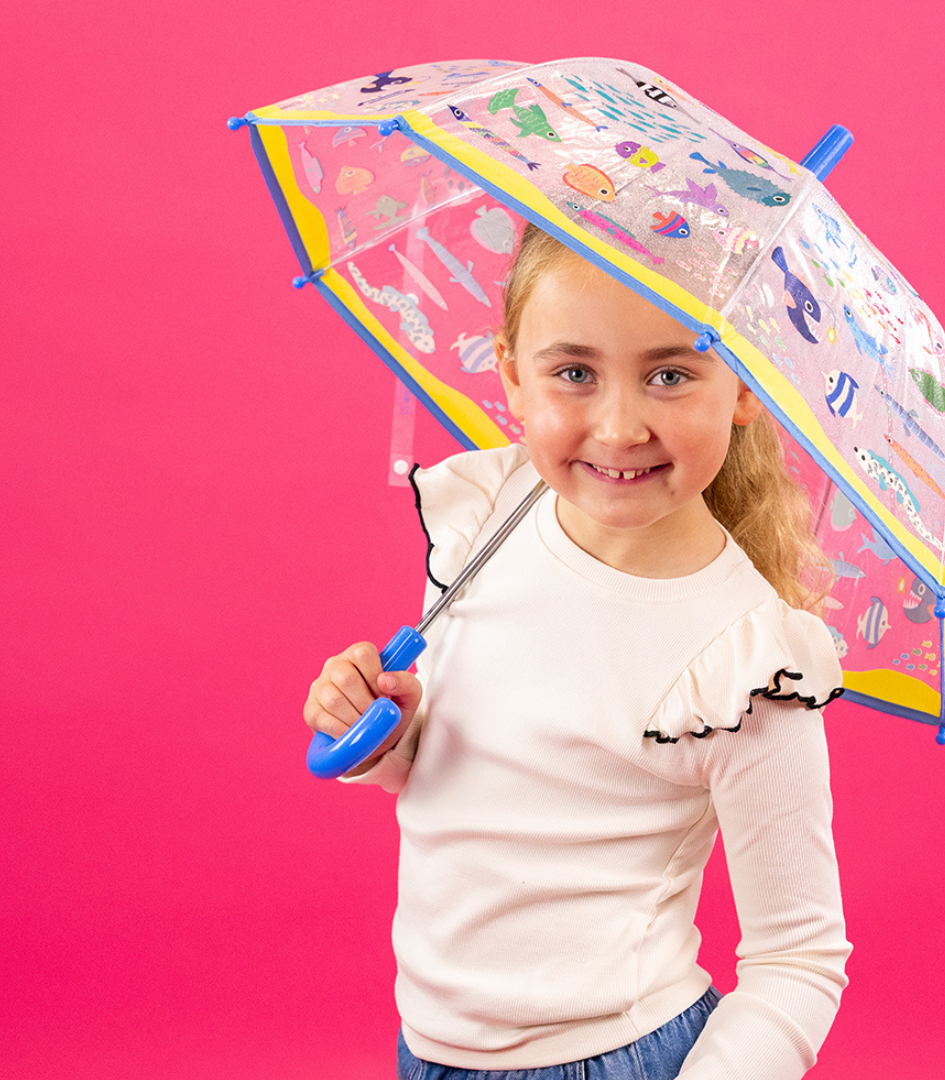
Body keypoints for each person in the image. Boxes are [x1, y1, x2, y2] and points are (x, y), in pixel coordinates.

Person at [304, 224, 852, 1080]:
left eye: (670, 374)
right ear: (514, 377)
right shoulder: (488, 518)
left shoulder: (743, 664)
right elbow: (480, 788)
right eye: (574, 373)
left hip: (612, 1059)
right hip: (427, 1050)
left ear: (745, 384)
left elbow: (801, 958)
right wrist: (385, 740)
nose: (620, 425)